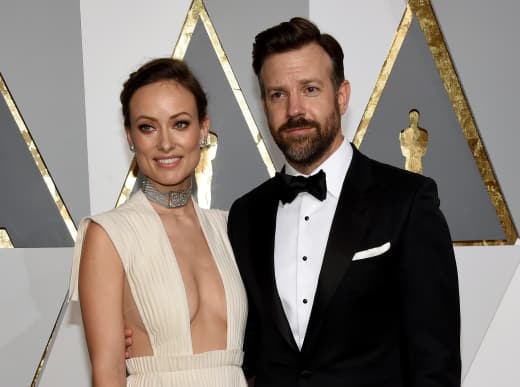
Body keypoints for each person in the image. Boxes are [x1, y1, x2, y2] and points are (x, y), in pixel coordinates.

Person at [226, 17, 461, 386]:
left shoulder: (407, 201)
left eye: (310, 89)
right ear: (264, 104)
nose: (294, 110)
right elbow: (244, 344)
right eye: (278, 94)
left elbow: (435, 361)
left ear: (342, 95)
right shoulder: (245, 215)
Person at [69, 58, 248, 386]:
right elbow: (107, 372)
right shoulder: (108, 235)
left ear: (203, 129)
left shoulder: (231, 229)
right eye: (147, 127)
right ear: (130, 137)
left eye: (180, 123)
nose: (165, 143)